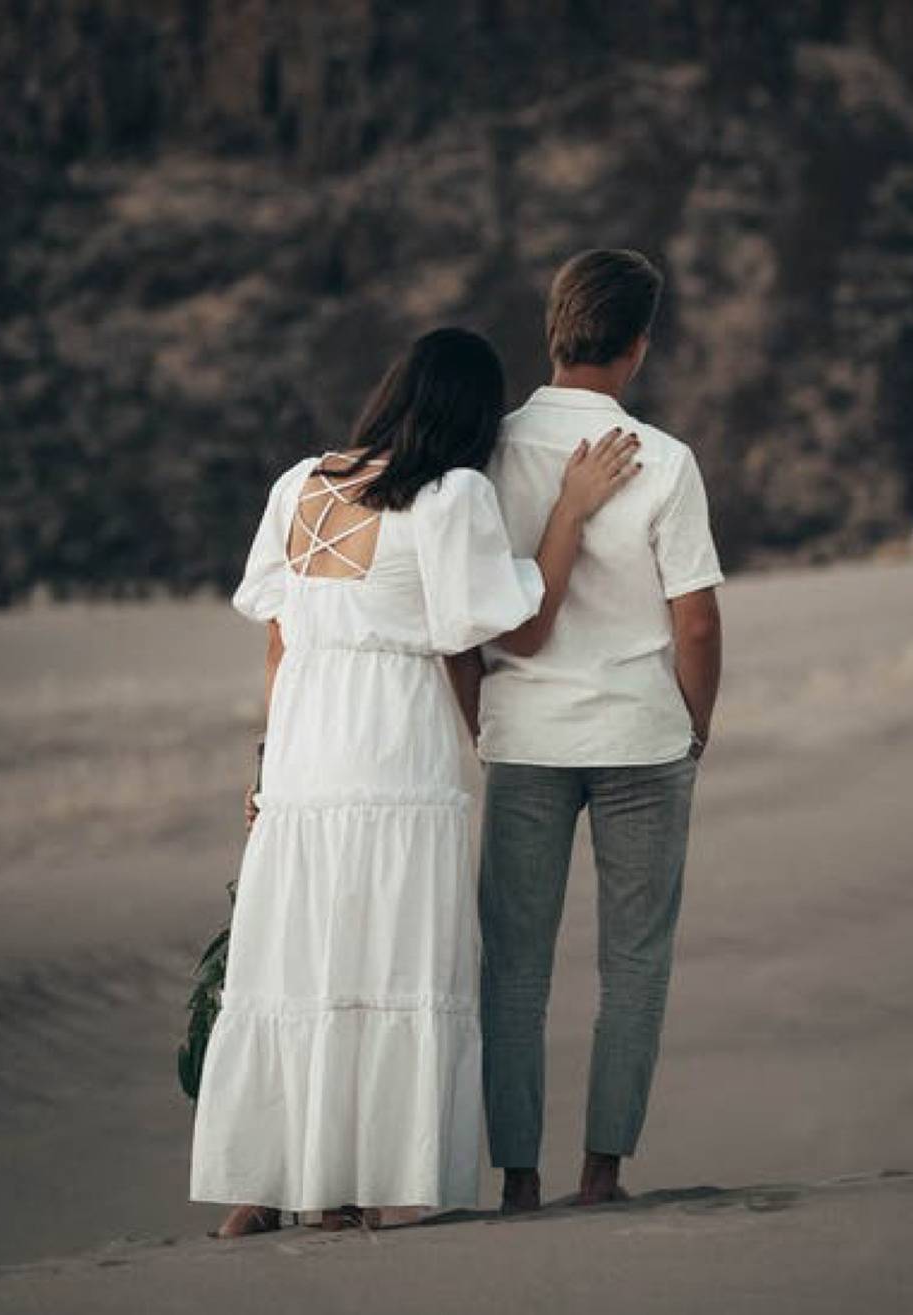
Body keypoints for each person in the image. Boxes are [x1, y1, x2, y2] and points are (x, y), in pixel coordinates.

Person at [189, 327, 641, 1236]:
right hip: (394, 749)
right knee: (387, 959)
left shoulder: (299, 484)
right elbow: (518, 626)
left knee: (300, 960)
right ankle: (369, 1185)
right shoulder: (451, 496)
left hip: (307, 755)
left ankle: (273, 1185)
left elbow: (280, 639)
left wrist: (267, 766)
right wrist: (569, 514)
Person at [467, 249, 724, 1213]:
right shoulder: (664, 459)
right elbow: (694, 618)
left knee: (516, 970)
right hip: (640, 739)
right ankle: (602, 1171)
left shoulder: (486, 451)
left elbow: (464, 612)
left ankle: (519, 1178)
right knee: (634, 964)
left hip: (525, 738)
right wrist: (693, 726)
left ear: (554, 330)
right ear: (639, 347)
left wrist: (478, 718)